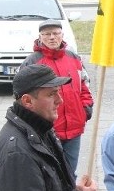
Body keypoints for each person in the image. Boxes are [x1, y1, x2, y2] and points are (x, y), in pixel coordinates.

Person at [20, 19, 94, 174]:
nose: (52, 37)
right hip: (48, 130)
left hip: (74, 128)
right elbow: (22, 96)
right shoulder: (32, 62)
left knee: (70, 173)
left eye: (55, 33)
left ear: (62, 35)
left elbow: (84, 84)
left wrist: (86, 107)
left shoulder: (74, 58)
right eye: (47, 34)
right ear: (40, 37)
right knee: (51, 173)